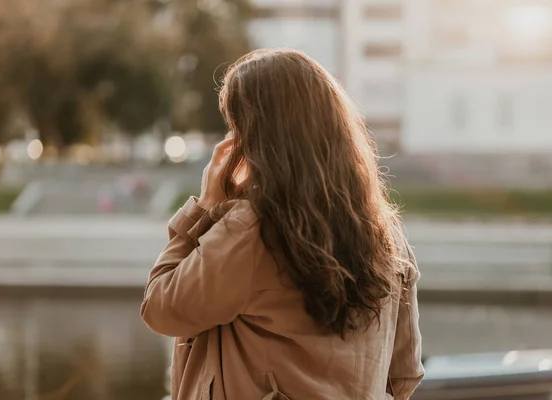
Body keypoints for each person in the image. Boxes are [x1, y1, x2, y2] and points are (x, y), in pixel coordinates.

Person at [141, 49, 423, 400]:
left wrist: (205, 209)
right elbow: (404, 375)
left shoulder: (251, 230)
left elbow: (160, 308)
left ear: (256, 139)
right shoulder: (386, 233)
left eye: (236, 126)